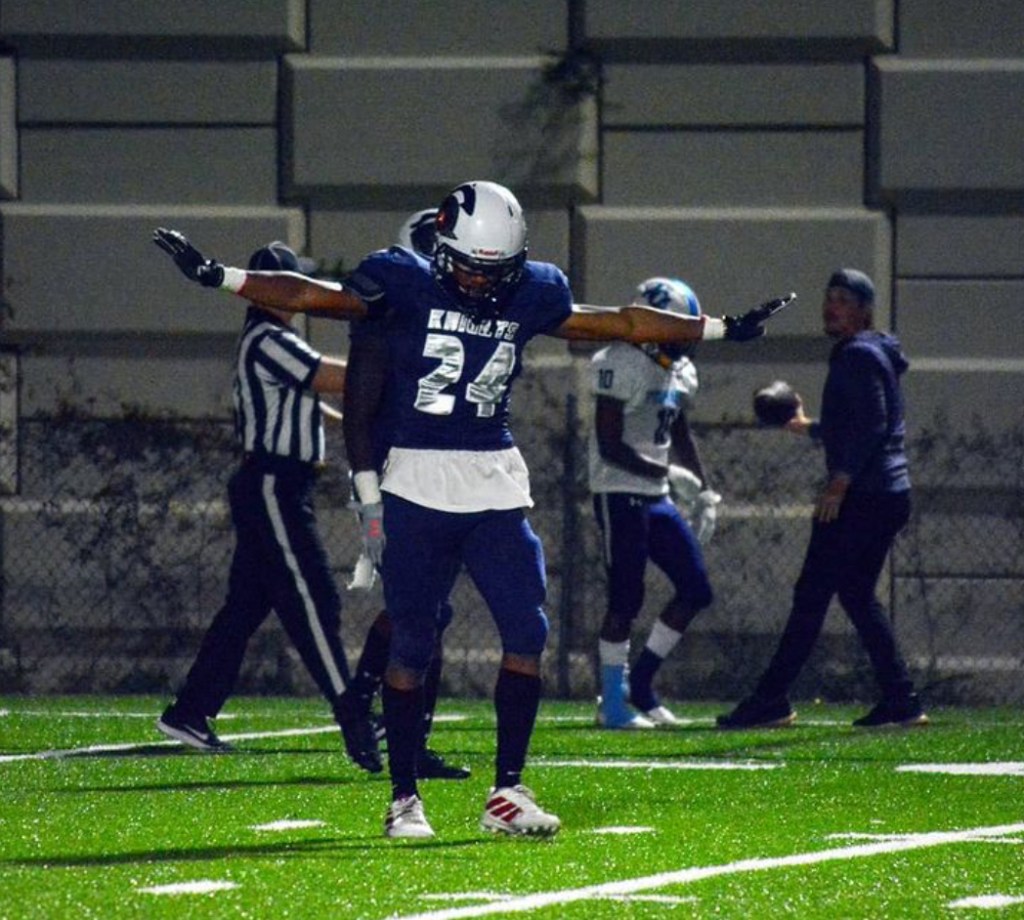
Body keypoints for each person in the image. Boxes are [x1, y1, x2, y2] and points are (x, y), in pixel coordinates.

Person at [153, 179, 781, 839]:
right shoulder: (401, 280)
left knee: (527, 631)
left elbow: (621, 322)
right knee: (412, 642)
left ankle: (507, 791)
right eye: (470, 267)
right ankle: (404, 798)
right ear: (443, 247)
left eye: (495, 269)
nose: (482, 282)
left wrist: (719, 327)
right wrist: (220, 276)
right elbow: (313, 296)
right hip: (416, 477)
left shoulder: (531, 289)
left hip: (492, 476)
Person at [156, 241, 382, 772]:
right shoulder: (268, 339)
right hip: (273, 485)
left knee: (244, 609)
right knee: (314, 598)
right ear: (270, 289)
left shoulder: (272, 340)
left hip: (278, 485)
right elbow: (327, 376)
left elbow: (309, 401)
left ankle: (190, 711)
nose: (300, 295)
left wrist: (348, 423)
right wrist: (393, 369)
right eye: (291, 285)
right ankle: (352, 713)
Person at [716, 268, 929, 730]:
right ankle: (901, 699)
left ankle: (770, 699)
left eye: (844, 300)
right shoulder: (872, 352)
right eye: (829, 297)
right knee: (854, 593)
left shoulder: (856, 354)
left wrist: (839, 482)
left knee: (811, 596)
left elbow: (872, 425)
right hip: (887, 494)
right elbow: (857, 426)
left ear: (864, 312)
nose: (832, 306)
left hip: (863, 497)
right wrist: (806, 427)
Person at [344, 208, 471, 781]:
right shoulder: (390, 316)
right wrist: (368, 491)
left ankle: (399, 729)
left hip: (443, 472)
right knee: (422, 610)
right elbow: (359, 413)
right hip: (398, 474)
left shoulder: (451, 311)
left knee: (430, 612)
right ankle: (364, 702)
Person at [589, 277, 719, 730]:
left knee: (695, 588)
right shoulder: (619, 362)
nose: (684, 338)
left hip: (655, 495)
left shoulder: (679, 370)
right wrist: (667, 474)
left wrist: (703, 487)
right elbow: (610, 445)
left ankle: (640, 684)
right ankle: (611, 702)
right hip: (618, 491)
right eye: (676, 327)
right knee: (625, 598)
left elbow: (677, 426)